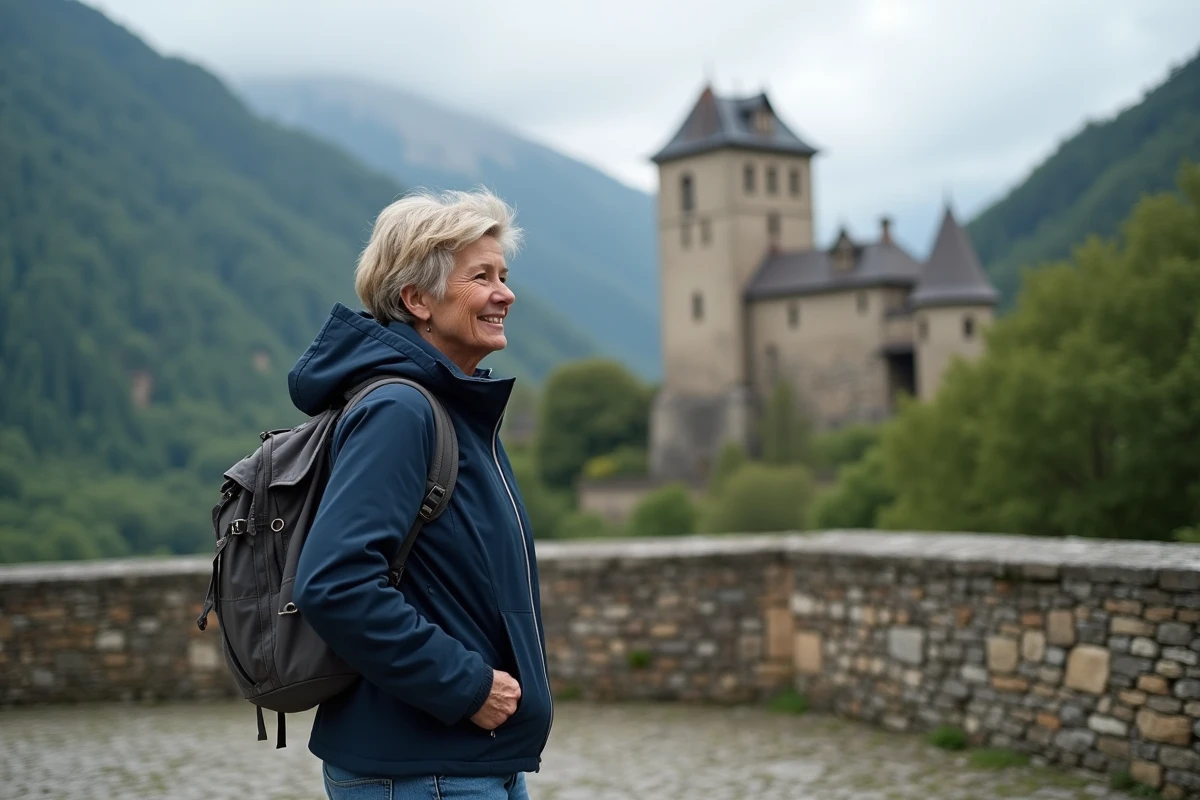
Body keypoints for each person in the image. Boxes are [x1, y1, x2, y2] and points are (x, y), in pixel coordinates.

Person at [290, 188, 552, 800]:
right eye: (481, 276)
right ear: (417, 300)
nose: (505, 293)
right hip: (424, 771)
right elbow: (335, 584)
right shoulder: (400, 411)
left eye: (504, 275)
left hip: (463, 761)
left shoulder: (451, 407)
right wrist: (466, 687)